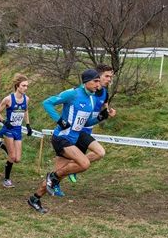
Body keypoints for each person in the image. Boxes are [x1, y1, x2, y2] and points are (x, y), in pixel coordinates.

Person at [27, 69, 113, 214]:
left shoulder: (92, 99)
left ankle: (35, 198)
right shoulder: (72, 93)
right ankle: (53, 177)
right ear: (86, 82)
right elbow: (47, 103)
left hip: (74, 137)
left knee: (60, 174)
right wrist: (60, 120)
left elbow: (85, 123)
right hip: (62, 137)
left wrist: (101, 117)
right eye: (96, 81)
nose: (98, 85)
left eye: (99, 81)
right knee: (84, 164)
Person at [68, 64, 116, 183]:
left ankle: (56, 178)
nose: (109, 79)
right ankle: (57, 176)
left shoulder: (105, 92)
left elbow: (104, 106)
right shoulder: (86, 91)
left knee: (76, 160)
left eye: (111, 77)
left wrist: (108, 112)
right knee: (97, 153)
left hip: (88, 128)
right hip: (76, 129)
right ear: (98, 76)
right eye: (107, 76)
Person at [0, 73, 32, 188]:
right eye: (23, 85)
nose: (25, 88)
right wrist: (4, 122)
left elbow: (25, 111)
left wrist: (28, 125)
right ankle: (6, 179)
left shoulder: (26, 99)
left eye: (27, 86)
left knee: (18, 159)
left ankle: (1, 145)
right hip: (9, 129)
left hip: (18, 129)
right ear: (17, 86)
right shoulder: (9, 99)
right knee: (12, 156)